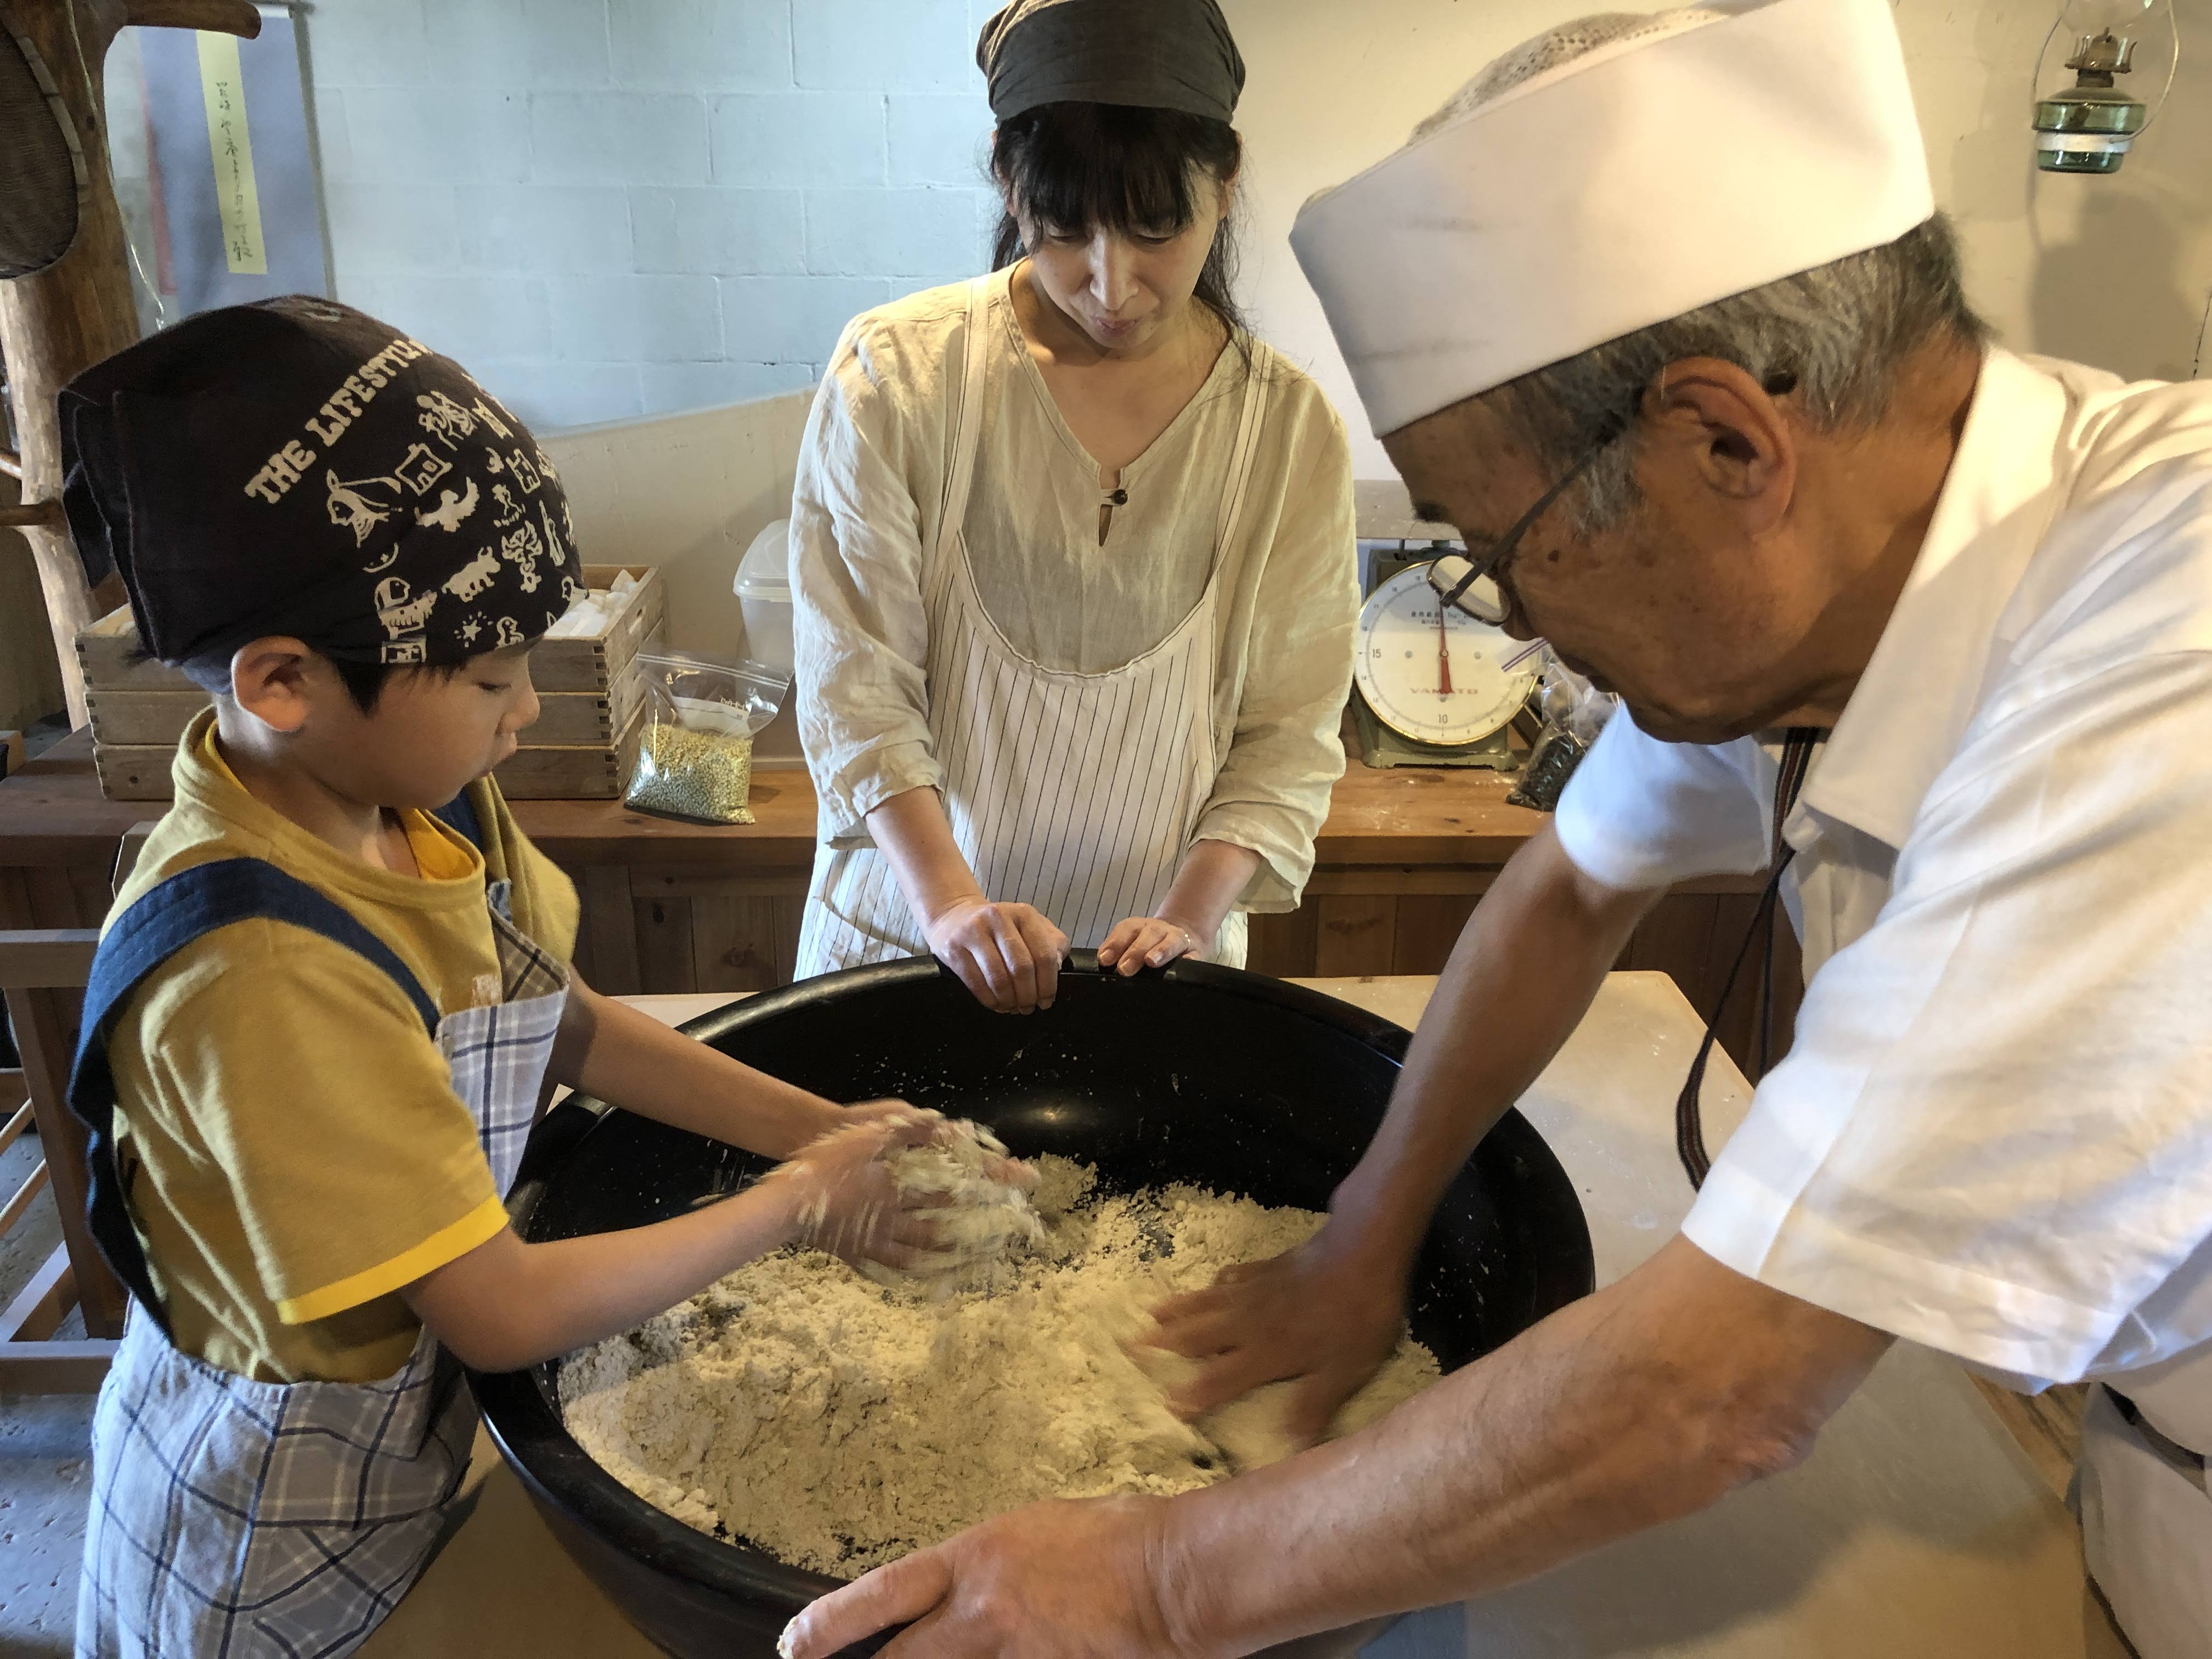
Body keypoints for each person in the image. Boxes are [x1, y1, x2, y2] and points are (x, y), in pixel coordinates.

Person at [777, 1, 2212, 1655]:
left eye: (1490, 545)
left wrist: (1161, 1577)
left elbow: (1718, 1392)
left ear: (1727, 443)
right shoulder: (1864, 570)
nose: (1511, 630)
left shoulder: (2148, 673)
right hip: (2132, 1472)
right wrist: (1367, 1238)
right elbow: (1566, 886)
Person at [57, 299, 962, 1658]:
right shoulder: (258, 974)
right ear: (286, 680)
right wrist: (795, 1206)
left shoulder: (410, 800)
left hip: (420, 1419)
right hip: (284, 1507)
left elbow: (567, 1026)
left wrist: (820, 1129)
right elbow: (500, 1308)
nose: (527, 712)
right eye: (487, 680)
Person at [789, 0, 1358, 1013]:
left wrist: (1188, 917)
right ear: (1010, 187)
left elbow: (1287, 730)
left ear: (1225, 185)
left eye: (1154, 231)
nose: (1111, 285)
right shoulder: (900, 377)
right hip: (906, 945)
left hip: (1153, 975)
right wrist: (957, 905)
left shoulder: (1284, 428)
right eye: (1064, 233)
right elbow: (857, 691)